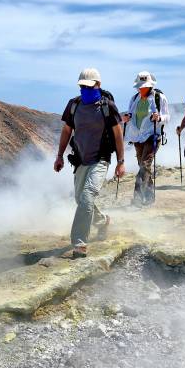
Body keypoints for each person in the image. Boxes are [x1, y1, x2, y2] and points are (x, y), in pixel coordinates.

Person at [55, 67, 126, 258]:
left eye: (89, 86)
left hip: (101, 159)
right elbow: (66, 131)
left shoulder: (107, 106)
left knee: (86, 197)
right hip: (80, 159)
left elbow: (118, 134)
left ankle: (79, 244)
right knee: (80, 200)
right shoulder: (74, 105)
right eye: (82, 86)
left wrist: (120, 162)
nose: (85, 90)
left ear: (98, 85)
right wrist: (60, 156)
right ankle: (103, 221)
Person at [121, 71, 170, 206]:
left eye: (144, 86)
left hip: (152, 136)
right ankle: (149, 197)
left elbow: (167, 117)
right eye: (140, 86)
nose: (141, 89)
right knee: (143, 167)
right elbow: (131, 114)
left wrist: (159, 118)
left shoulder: (159, 97)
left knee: (144, 165)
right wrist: (127, 118)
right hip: (138, 138)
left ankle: (137, 198)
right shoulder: (134, 98)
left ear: (150, 86)